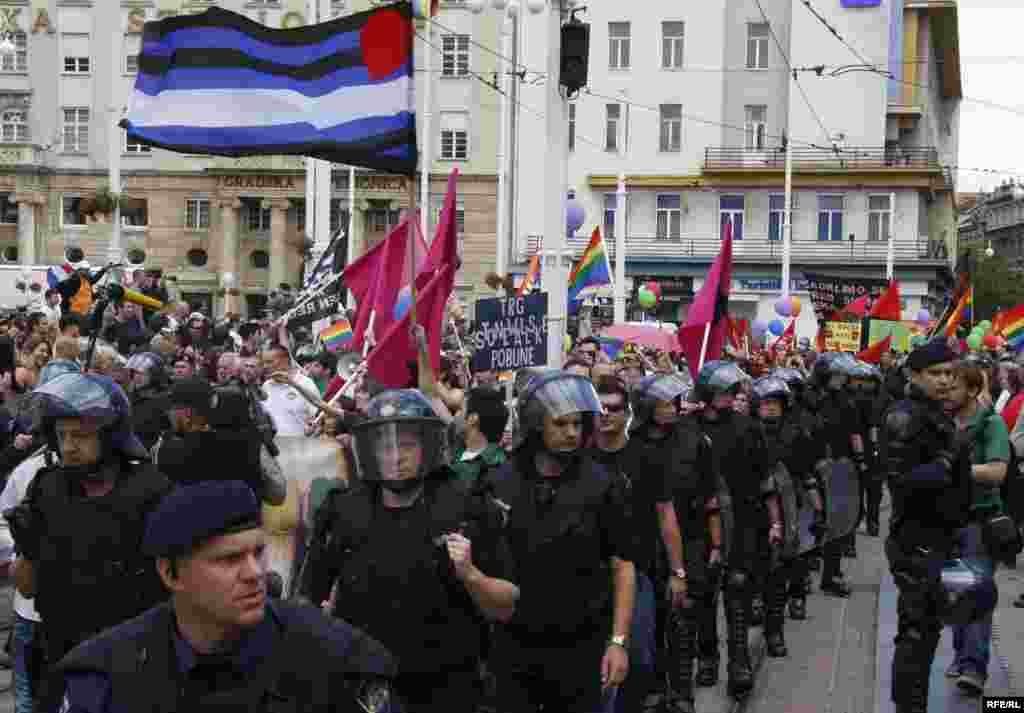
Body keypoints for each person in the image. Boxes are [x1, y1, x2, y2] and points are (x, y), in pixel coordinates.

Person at [56, 480, 400, 712]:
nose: (254, 573)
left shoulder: (332, 655)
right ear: (170, 573)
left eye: (257, 553)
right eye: (228, 559)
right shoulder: (106, 679)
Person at [299, 389, 518, 713]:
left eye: (406, 445)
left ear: (427, 446)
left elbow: (506, 605)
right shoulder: (343, 510)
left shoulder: (467, 507)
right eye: (384, 446)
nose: (395, 456)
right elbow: (308, 601)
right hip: (362, 687)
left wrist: (471, 575)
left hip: (446, 690)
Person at [5, 372, 173, 712]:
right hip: (60, 658)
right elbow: (26, 587)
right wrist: (29, 548)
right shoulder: (46, 487)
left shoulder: (152, 489)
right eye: (62, 435)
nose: (68, 446)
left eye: (81, 436)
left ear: (111, 436)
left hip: (134, 664)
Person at [484, 370, 634, 713]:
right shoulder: (500, 483)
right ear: (537, 425)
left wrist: (618, 642)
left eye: (577, 425)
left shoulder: (602, 484)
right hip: (514, 647)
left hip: (581, 646)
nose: (571, 433)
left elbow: (622, 564)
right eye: (560, 424)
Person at [880, 338, 973, 713]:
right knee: (915, 632)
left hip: (945, 535)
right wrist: (948, 462)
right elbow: (900, 479)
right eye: (936, 373)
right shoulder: (905, 415)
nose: (946, 380)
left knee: (934, 626)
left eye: (950, 373)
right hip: (917, 539)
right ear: (914, 374)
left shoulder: (937, 412)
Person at [694, 360, 781, 700]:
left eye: (732, 390)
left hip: (744, 519)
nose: (730, 395)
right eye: (723, 390)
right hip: (700, 522)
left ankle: (740, 662)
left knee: (738, 591)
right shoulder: (689, 428)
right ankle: (707, 657)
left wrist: (774, 522)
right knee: (703, 594)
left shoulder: (748, 428)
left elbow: (765, 478)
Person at [944, 360, 1009, 696]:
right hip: (947, 522)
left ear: (971, 389)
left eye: (953, 384)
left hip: (980, 521)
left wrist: (957, 471)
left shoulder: (991, 424)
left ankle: (974, 668)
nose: (945, 389)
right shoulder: (941, 422)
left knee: (978, 592)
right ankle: (961, 654)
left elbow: (998, 472)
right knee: (957, 590)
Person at [152, 377, 286, 507]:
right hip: (247, 523)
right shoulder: (248, 443)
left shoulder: (167, 451)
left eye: (172, 409)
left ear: (186, 414)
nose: (169, 414)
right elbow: (277, 494)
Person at [451, 387, 509, 488]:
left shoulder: (490, 472)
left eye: (460, 409)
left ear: (473, 419)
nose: (455, 415)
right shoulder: (457, 455)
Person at [262, 343, 317, 438]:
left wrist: (313, 428)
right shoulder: (266, 386)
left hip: (301, 449)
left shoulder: (306, 383)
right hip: (274, 449)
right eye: (264, 363)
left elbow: (318, 419)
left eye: (269, 362)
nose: (265, 366)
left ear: (285, 360)